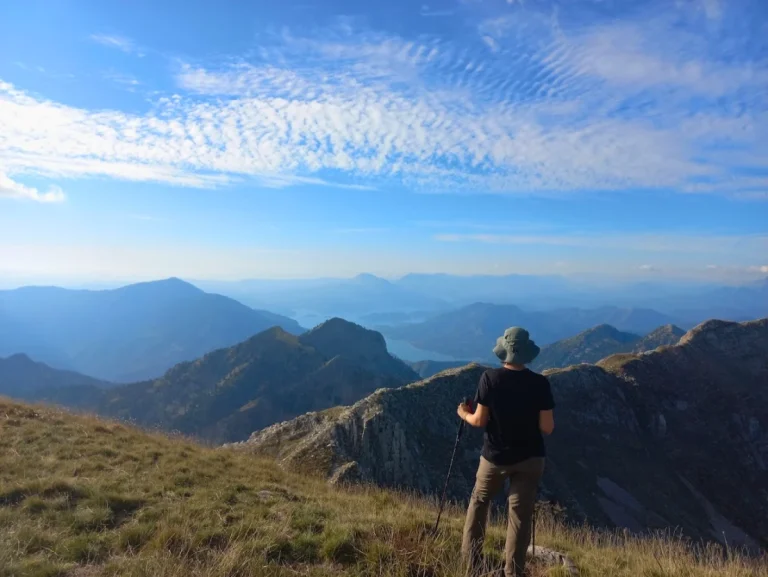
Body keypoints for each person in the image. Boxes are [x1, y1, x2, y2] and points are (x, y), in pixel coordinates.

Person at [457, 327, 555, 577]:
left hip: (495, 457)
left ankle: (471, 566)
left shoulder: (490, 379)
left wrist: (463, 413)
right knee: (520, 516)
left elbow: (479, 421)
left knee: (480, 503)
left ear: (504, 351)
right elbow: (547, 427)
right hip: (531, 458)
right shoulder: (540, 383)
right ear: (527, 353)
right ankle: (514, 572)